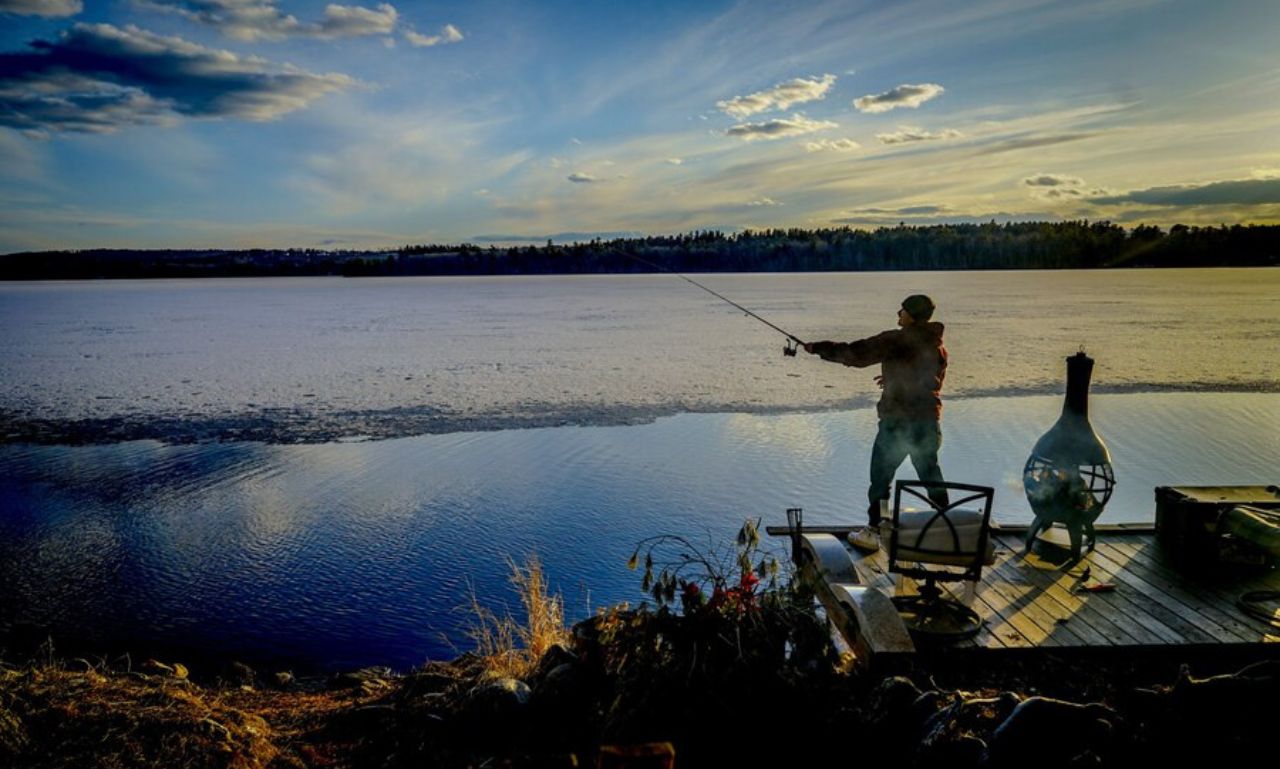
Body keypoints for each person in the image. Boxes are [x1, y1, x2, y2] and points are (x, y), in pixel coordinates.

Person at [803, 294, 948, 552]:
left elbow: (855, 354)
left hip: (898, 425)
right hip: (927, 422)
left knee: (880, 479)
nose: (898, 314)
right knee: (930, 475)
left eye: (902, 310)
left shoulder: (896, 340)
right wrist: (893, 379)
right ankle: (947, 525)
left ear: (912, 315)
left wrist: (818, 348)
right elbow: (928, 379)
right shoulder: (937, 345)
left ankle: (874, 530)